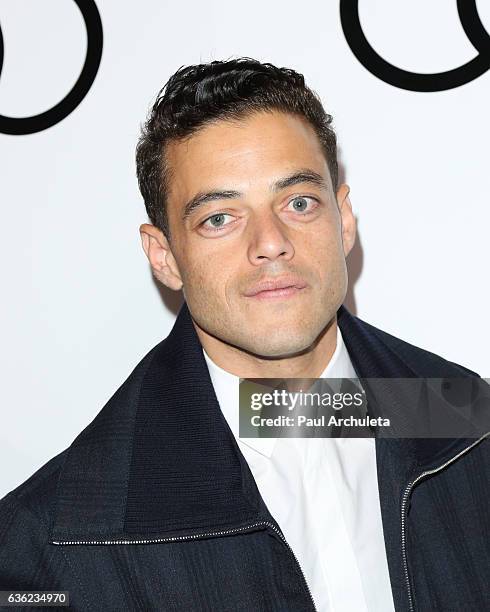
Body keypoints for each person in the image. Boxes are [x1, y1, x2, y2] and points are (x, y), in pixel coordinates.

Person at [0, 58, 488, 612]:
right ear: (165, 257)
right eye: (219, 218)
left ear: (343, 221)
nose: (270, 241)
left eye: (298, 203)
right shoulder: (51, 541)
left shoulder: (469, 422)